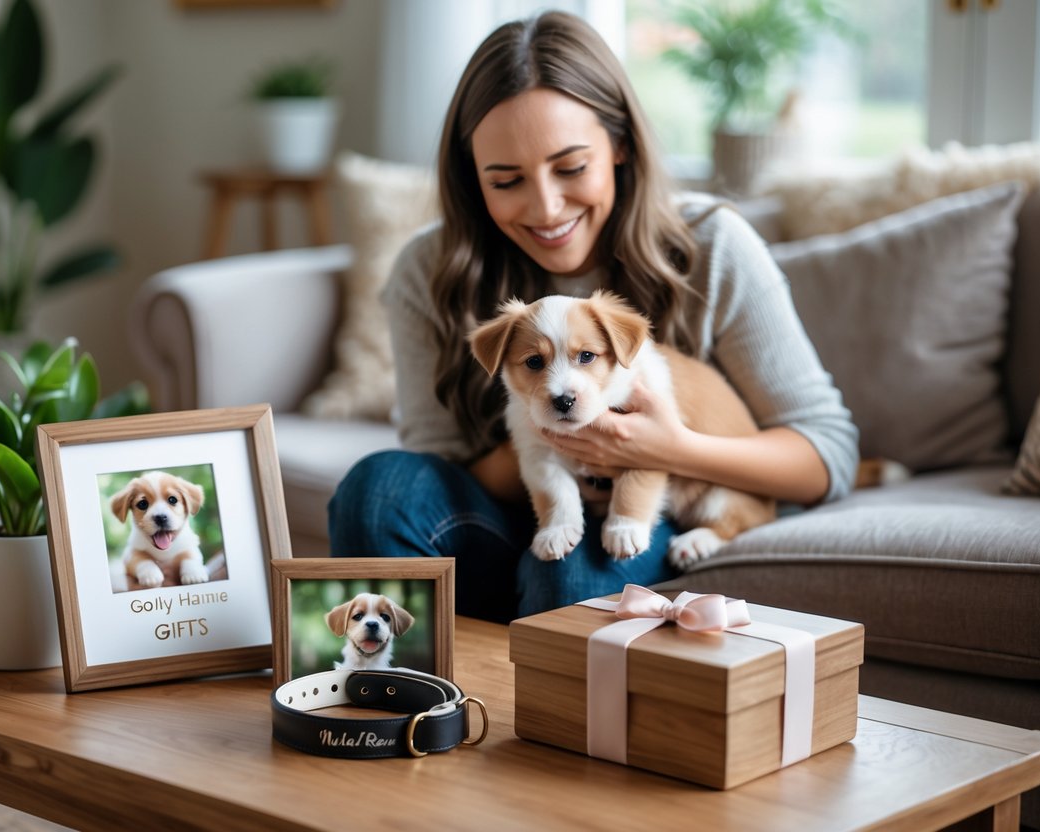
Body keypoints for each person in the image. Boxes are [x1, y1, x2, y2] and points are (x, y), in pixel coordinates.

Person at [328, 11, 858, 623]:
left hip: (647, 504)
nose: (546, 207)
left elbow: (827, 453)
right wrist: (552, 445)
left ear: (620, 144)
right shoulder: (429, 267)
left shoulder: (714, 244)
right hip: (506, 507)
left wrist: (669, 448)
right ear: (473, 178)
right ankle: (396, 679)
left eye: (571, 167)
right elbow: (439, 464)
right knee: (378, 490)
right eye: (506, 180)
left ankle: (534, 668)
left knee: (572, 571)